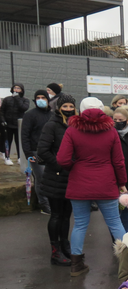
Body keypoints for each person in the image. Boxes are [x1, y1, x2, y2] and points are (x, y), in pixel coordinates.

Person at [56, 97, 128, 277]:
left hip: (79, 183)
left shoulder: (72, 130)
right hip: (106, 183)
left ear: (81, 110)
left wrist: (76, 167)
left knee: (80, 225)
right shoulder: (111, 131)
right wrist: (122, 183)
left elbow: (62, 159)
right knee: (115, 222)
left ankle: (76, 265)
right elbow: (118, 161)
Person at [36, 94, 77, 266]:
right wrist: (61, 165)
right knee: (56, 215)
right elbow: (43, 151)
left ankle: (65, 246)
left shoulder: (75, 125)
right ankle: (55, 251)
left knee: (67, 215)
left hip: (71, 177)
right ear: (59, 107)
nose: (68, 109)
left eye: (70, 106)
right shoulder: (51, 125)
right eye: (65, 106)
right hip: (56, 176)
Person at [21, 89, 52, 213]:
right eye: (38, 97)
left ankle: (52, 201)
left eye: (43, 97)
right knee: (41, 178)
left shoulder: (52, 115)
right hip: (35, 151)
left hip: (50, 151)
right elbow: (25, 135)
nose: (40, 100)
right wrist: (28, 153)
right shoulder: (30, 115)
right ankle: (44, 204)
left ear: (48, 100)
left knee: (51, 177)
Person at [0, 83, 30, 164]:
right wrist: (3, 120)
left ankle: (20, 157)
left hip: (19, 125)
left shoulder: (25, 100)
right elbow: (2, 111)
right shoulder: (7, 99)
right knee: (7, 141)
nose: (16, 90)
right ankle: (7, 157)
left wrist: (17, 99)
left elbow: (23, 108)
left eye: (18, 88)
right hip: (8, 124)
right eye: (15, 88)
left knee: (19, 142)